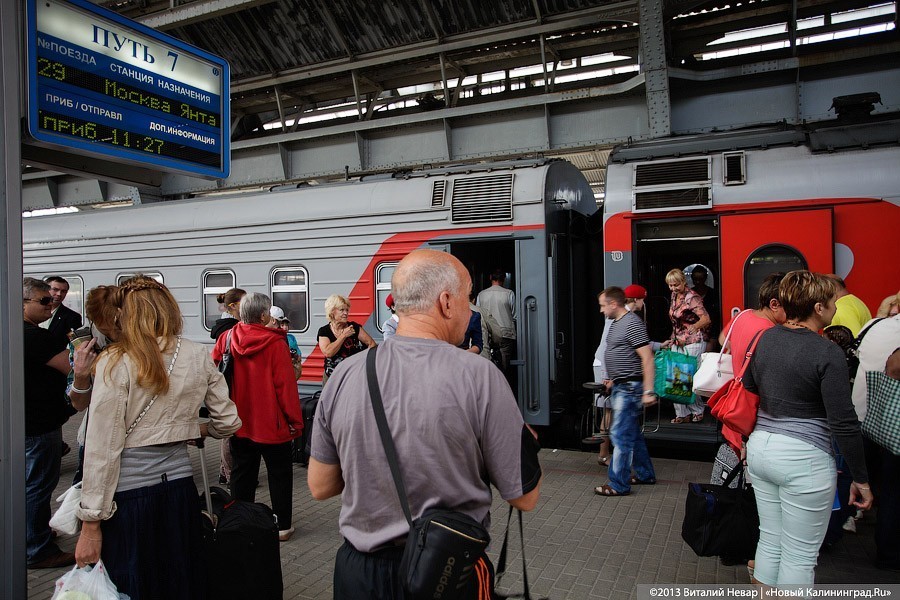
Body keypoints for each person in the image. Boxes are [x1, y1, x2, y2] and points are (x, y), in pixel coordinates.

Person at [308, 249, 542, 599]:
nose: (469, 309)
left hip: (359, 574)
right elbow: (524, 497)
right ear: (446, 302)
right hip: (447, 573)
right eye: (468, 298)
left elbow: (320, 486)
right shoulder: (479, 376)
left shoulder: (345, 374)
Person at [74, 276, 241, 599]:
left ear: (126, 314)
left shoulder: (116, 361)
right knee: (178, 576)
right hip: (179, 488)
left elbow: (102, 448)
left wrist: (91, 524)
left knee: (133, 579)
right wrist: (192, 431)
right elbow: (229, 421)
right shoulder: (195, 354)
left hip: (128, 496)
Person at [742, 270, 873, 585]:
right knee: (799, 557)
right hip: (804, 458)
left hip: (761, 449)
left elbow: (749, 387)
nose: (835, 308)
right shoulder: (827, 351)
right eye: (832, 302)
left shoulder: (765, 337)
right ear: (818, 308)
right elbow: (843, 421)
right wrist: (862, 479)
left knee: (770, 540)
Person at [212, 292, 304, 541]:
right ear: (264, 316)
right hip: (273, 425)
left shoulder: (227, 338)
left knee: (242, 476)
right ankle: (282, 526)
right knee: (280, 475)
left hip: (240, 422)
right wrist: (296, 422)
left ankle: (241, 523)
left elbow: (213, 374)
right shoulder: (276, 344)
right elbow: (285, 387)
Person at [23, 277, 91, 569]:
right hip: (40, 424)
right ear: (22, 302)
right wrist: (83, 354)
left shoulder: (17, 333)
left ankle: (30, 533)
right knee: (38, 486)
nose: (53, 304)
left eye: (53, 298)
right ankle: (37, 549)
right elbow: (74, 369)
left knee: (28, 484)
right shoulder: (36, 337)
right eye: (45, 300)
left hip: (24, 422)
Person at [594, 286, 658, 497]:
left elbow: (647, 358)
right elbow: (620, 352)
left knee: (620, 435)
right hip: (621, 384)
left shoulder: (632, 323)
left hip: (630, 387)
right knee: (632, 435)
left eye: (603, 306)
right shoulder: (615, 323)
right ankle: (645, 474)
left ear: (614, 304)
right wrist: (613, 378)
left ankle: (618, 484)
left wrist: (648, 390)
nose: (602, 310)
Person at [863, 347, 900, 570]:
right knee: (894, 495)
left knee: (891, 494)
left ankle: (888, 553)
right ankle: (890, 555)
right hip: (895, 443)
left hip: (891, 440)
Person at [661, 268, 711, 424]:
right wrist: (672, 338)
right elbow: (676, 323)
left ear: (683, 282)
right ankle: (682, 413)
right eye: (670, 285)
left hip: (694, 341)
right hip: (677, 340)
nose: (673, 288)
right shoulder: (674, 296)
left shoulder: (692, 297)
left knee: (689, 376)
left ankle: (697, 410)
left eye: (676, 285)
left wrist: (692, 329)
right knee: (676, 376)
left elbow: (706, 319)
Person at [209, 287, 245, 485]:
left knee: (230, 431)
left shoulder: (226, 325)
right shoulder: (230, 329)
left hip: (228, 383)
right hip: (231, 383)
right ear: (233, 306)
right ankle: (229, 472)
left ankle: (226, 471)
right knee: (230, 432)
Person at [317, 294, 376, 384]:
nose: (346, 313)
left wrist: (363, 363)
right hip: (331, 377)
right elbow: (328, 352)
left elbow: (372, 344)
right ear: (332, 312)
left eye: (347, 310)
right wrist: (343, 336)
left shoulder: (354, 327)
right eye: (342, 310)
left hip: (353, 376)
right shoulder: (324, 331)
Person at [476, 269, 517, 371]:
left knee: (486, 364)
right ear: (504, 279)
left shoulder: (482, 294)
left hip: (486, 333)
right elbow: (515, 316)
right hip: (505, 333)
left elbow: (477, 314)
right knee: (504, 365)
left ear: (490, 277)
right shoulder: (509, 294)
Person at [43, 275, 83, 341]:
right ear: (45, 290)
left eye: (63, 291)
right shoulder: (32, 312)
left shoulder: (72, 317)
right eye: (55, 289)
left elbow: (75, 343)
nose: (59, 294)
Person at [270, 305, 302, 380]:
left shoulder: (286, 337)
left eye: (286, 325)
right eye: (282, 325)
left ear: (273, 320)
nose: (285, 327)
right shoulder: (282, 337)